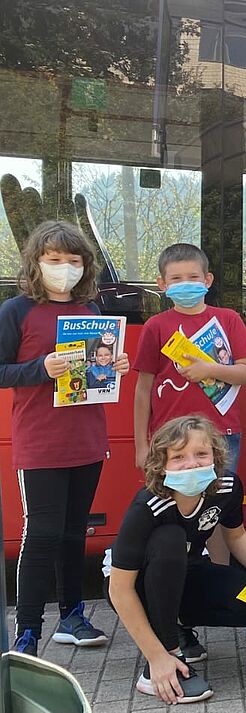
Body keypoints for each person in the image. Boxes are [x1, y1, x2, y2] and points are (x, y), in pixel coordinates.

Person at [0, 221, 131, 656]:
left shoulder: (92, 312)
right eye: (54, 260)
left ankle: (73, 615)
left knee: (75, 533)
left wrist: (115, 366)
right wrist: (42, 369)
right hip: (40, 444)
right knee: (41, 534)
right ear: (36, 263)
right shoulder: (16, 310)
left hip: (88, 439)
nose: (64, 269)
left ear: (85, 266)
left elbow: (95, 370)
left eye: (73, 261)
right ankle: (28, 631)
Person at [109, 415, 246, 704]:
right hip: (139, 588)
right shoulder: (148, 506)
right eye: (178, 457)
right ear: (161, 464)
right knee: (170, 537)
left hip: (189, 572)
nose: (191, 463)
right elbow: (119, 589)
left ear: (216, 457)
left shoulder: (226, 487)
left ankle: (178, 624)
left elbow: (236, 535)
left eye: (201, 454)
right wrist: (156, 657)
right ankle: (167, 654)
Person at [133, 242, 246, 586]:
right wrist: (141, 446)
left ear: (208, 280)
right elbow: (143, 389)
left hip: (222, 437)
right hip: (167, 441)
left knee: (217, 508)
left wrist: (210, 369)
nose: (184, 284)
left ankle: (218, 581)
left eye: (192, 277)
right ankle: (171, 583)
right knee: (166, 513)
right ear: (162, 284)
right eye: (176, 278)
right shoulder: (156, 326)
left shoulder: (228, 319)